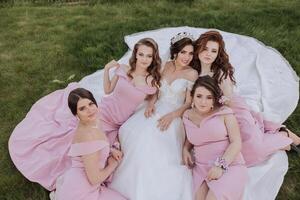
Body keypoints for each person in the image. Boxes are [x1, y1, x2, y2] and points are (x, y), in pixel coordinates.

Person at [8, 38, 161, 191]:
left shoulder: (151, 80)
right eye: (141, 54)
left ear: (154, 57)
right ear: (136, 54)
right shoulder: (124, 69)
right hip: (104, 112)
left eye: (149, 56)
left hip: (117, 122)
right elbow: (108, 90)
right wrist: (107, 70)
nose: (144, 59)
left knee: (98, 151)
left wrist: (151, 104)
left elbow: (154, 94)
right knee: (77, 142)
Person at [109, 32, 198, 200]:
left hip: (175, 113)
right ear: (176, 52)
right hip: (157, 105)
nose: (187, 57)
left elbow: (188, 103)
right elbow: (156, 90)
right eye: (183, 52)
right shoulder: (165, 65)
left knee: (152, 140)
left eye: (191, 53)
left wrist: (172, 116)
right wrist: (150, 103)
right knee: (130, 131)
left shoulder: (191, 73)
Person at [192, 30, 300, 166]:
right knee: (232, 153)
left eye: (213, 51)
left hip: (233, 112)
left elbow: (228, 98)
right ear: (199, 48)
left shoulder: (220, 73)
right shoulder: (194, 73)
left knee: (250, 153)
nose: (208, 54)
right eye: (205, 49)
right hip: (216, 118)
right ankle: (282, 141)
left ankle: (283, 136)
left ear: (218, 54)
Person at [182, 76, 248, 200]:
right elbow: (193, 137)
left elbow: (236, 142)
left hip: (229, 165)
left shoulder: (224, 113)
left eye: (209, 97)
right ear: (193, 96)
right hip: (201, 168)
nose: (203, 102)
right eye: (199, 96)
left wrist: (220, 166)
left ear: (214, 99)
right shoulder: (187, 116)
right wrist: (185, 149)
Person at [55, 88, 127, 200]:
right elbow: (94, 179)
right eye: (82, 108)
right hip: (82, 191)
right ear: (76, 114)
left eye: (90, 104)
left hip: (81, 182)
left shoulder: (92, 121)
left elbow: (95, 147)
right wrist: (113, 165)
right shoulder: (88, 136)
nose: (90, 110)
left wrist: (110, 150)